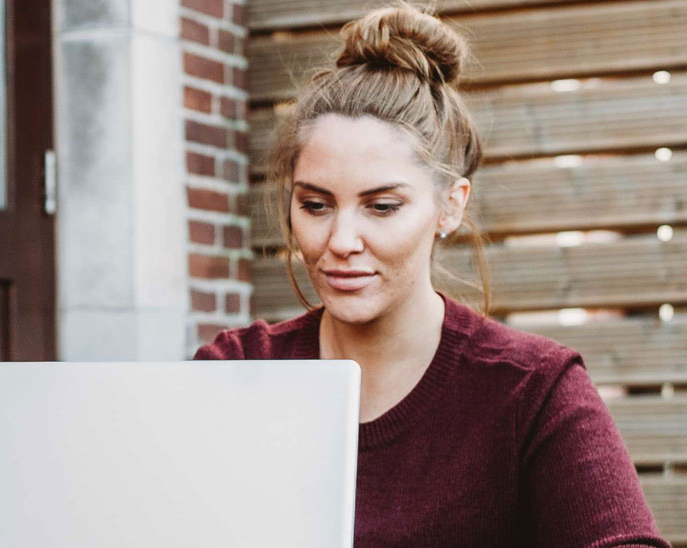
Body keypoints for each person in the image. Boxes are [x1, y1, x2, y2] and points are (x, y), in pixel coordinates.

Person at [193, 3, 669, 546]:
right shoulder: (235, 372)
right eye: (317, 206)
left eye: (382, 206)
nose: (341, 242)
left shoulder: (533, 393)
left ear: (450, 206)